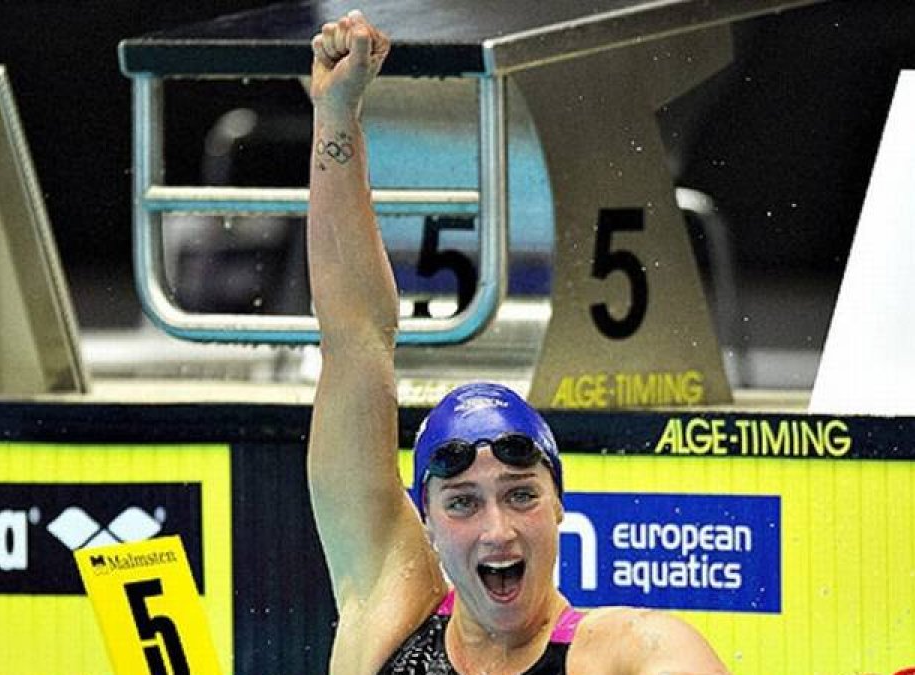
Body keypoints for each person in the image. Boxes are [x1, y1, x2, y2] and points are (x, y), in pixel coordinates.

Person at [305, 10, 732, 674]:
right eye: (463, 503)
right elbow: (353, 336)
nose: (497, 530)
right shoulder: (389, 618)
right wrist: (337, 120)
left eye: (521, 493)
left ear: (560, 503)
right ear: (428, 524)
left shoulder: (629, 652)